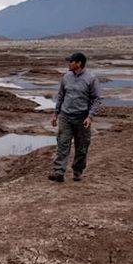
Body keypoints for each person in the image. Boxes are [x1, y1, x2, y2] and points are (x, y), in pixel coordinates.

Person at [49, 52, 103, 182]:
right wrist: (55, 114)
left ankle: (77, 172)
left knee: (82, 146)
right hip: (66, 116)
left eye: (71, 61)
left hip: (82, 118)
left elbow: (96, 99)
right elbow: (61, 96)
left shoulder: (91, 78)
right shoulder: (66, 77)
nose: (68, 63)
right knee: (62, 143)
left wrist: (90, 117)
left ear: (78, 63)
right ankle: (59, 172)